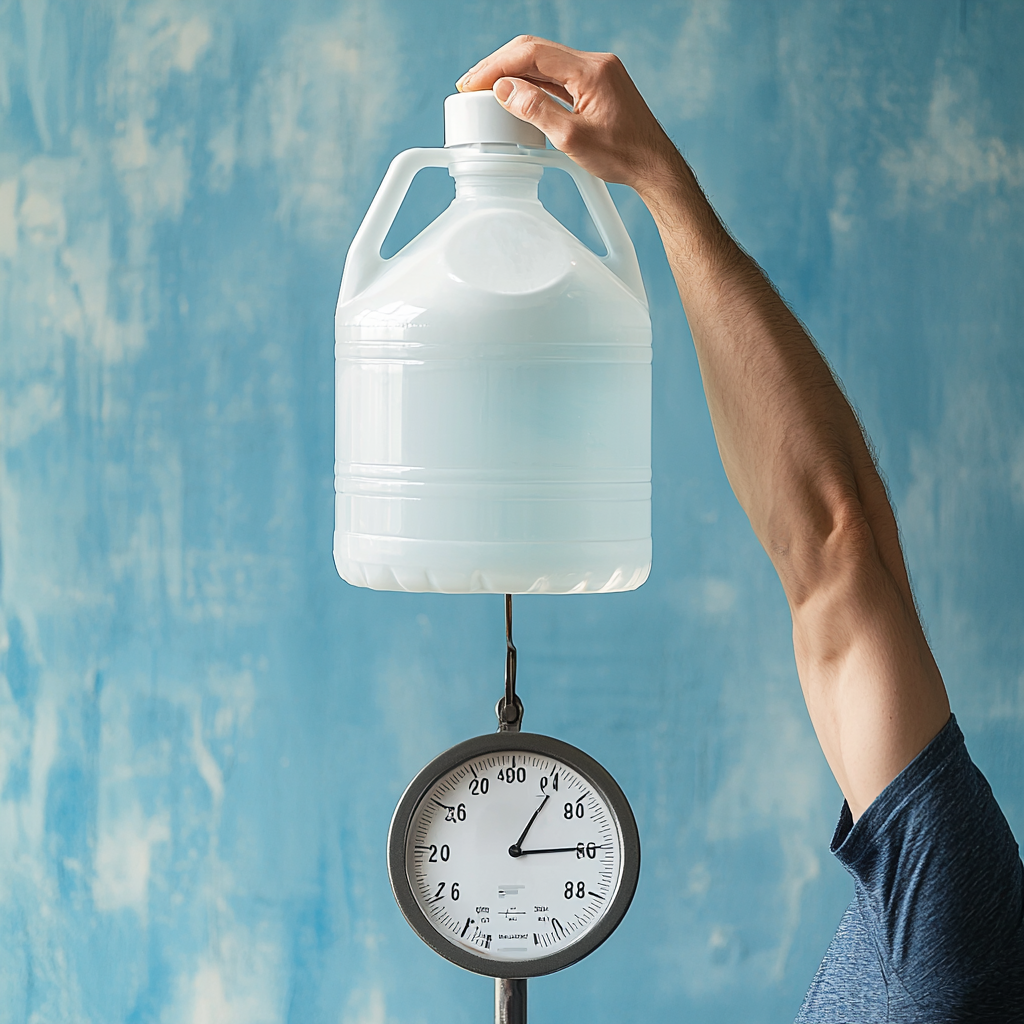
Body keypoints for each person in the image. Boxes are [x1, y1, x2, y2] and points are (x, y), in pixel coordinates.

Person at [457, 37, 1024, 1022]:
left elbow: (840, 556)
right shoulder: (961, 957)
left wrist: (659, 184)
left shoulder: (962, 966)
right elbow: (851, 556)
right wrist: (657, 184)